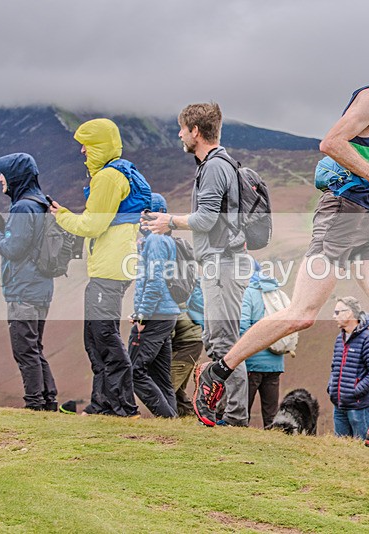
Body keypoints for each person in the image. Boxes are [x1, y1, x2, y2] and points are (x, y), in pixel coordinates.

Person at [185, 38, 369, 452]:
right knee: (301, 314)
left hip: (367, 223)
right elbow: (331, 143)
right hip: (340, 218)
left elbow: (354, 152)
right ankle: (218, 371)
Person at [141, 102, 249, 427]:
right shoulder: (212, 165)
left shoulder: (215, 167)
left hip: (223, 265)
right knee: (218, 343)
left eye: (182, 129)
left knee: (227, 345)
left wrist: (169, 222)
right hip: (219, 264)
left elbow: (205, 218)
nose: (179, 134)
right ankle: (222, 416)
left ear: (196, 132)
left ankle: (236, 420)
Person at [50, 118, 151, 417]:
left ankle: (123, 406)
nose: (82, 150)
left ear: (99, 146)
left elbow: (92, 225)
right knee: (94, 338)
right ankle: (103, 404)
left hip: (109, 268)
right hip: (111, 267)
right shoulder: (117, 173)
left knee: (103, 335)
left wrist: (62, 215)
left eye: (87, 144)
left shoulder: (108, 177)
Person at [0, 153, 57, 411]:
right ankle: (48, 402)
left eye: (4, 173)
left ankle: (34, 405)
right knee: (35, 348)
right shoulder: (39, 202)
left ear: (16, 176)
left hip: (24, 290)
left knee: (25, 350)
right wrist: (1, 224)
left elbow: (13, 250)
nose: (0, 178)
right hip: (41, 288)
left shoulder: (23, 207)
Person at [127, 193, 180, 418]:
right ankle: (173, 425)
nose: (139, 217)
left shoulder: (156, 241)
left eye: (143, 212)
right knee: (160, 376)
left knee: (133, 371)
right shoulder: (162, 240)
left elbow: (155, 281)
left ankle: (167, 418)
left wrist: (142, 316)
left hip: (156, 316)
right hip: (165, 314)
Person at [239, 263, 288, 428]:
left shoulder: (249, 293)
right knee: (271, 414)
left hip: (253, 361)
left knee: (243, 409)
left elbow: (242, 327)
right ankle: (272, 443)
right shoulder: (278, 293)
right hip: (276, 362)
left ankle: (239, 441)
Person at [328, 297, 369, 440]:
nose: (333, 316)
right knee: (340, 450)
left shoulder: (368, 338)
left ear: (349, 313)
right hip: (339, 405)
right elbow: (334, 367)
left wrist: (356, 391)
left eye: (337, 312)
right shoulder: (339, 338)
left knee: (362, 449)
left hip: (359, 407)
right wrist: (331, 387)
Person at [171, 284, 205, 417]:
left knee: (169, 384)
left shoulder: (175, 304)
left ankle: (171, 415)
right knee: (175, 386)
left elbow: (170, 334)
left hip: (187, 346)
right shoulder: (186, 300)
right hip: (192, 344)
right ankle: (188, 413)